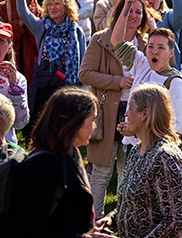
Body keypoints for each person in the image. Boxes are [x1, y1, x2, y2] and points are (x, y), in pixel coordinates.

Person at [80, 0, 152, 217]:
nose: (133, 16)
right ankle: (94, 220)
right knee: (101, 172)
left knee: (126, 172)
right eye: (129, 10)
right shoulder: (100, 39)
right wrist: (117, 82)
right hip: (106, 113)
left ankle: (121, 221)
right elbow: (85, 74)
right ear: (119, 12)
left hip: (137, 115)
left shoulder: (147, 43)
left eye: (138, 12)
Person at [7, 87, 114, 238]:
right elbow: (25, 230)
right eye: (93, 120)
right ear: (74, 122)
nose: (95, 126)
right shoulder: (45, 163)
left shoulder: (70, 153)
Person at [96, 85, 182, 238]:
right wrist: (110, 220)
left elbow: (174, 220)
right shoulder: (137, 150)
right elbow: (132, 204)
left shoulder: (165, 157)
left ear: (144, 113)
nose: (126, 113)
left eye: (130, 108)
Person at [110, 0, 182, 139]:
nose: (154, 51)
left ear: (171, 53)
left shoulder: (174, 82)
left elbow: (178, 129)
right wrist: (126, 5)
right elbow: (116, 41)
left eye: (161, 48)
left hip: (156, 155)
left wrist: (136, 130)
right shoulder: (141, 63)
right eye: (151, 46)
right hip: (133, 152)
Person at [16, 0, 86, 119]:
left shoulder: (77, 31)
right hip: (45, 86)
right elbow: (23, 13)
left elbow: (83, 63)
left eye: (57, 4)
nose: (52, 7)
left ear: (67, 7)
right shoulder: (42, 26)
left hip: (68, 88)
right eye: (50, 4)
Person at [0, 23, 28, 144]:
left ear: (9, 47)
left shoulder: (18, 79)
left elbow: (20, 124)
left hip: (5, 148)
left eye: (0, 41)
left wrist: (14, 88)